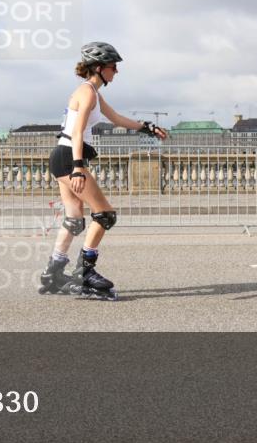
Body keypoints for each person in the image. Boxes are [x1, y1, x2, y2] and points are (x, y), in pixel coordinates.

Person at [39, 42, 167, 300]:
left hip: (62, 155)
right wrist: (77, 168)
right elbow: (77, 132)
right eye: (113, 67)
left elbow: (116, 118)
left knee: (74, 219)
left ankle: (53, 271)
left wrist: (147, 128)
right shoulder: (87, 93)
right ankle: (84, 273)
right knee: (105, 215)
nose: (116, 72)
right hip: (68, 157)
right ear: (99, 68)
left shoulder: (92, 92)